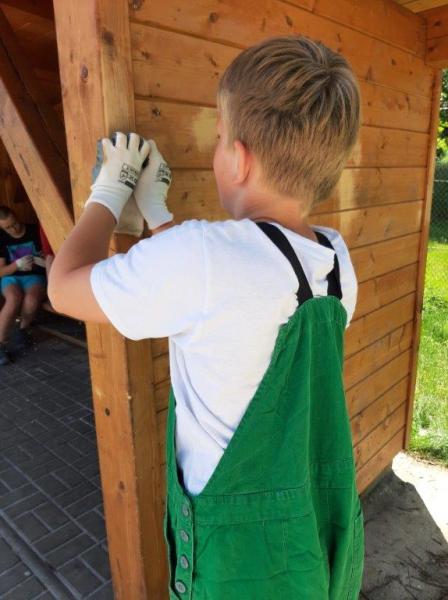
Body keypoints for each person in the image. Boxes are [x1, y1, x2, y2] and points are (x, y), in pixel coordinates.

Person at [48, 35, 364, 599]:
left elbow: (63, 288)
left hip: (237, 563)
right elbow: (232, 295)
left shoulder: (200, 257)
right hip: (311, 538)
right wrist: (159, 218)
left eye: (219, 139)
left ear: (238, 158)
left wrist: (109, 194)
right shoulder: (336, 261)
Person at [0, 206, 47, 365]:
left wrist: (41, 261)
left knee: (31, 299)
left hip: (35, 275)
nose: (13, 229)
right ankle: (1, 343)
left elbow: (50, 256)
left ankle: (23, 330)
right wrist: (17, 265)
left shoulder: (34, 231)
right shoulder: (1, 238)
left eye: (14, 223)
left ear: (17, 216)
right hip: (11, 278)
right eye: (8, 228)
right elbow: (1, 271)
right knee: (13, 299)